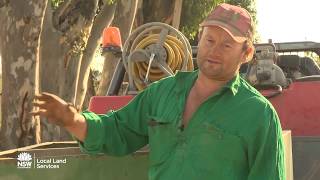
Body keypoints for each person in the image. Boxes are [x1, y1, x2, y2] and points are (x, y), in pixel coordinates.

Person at [32, 3, 285, 180]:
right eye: (210, 40)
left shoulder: (259, 116)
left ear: (247, 53)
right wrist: (73, 120)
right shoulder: (162, 93)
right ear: (200, 38)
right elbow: (118, 131)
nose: (215, 50)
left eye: (227, 44)